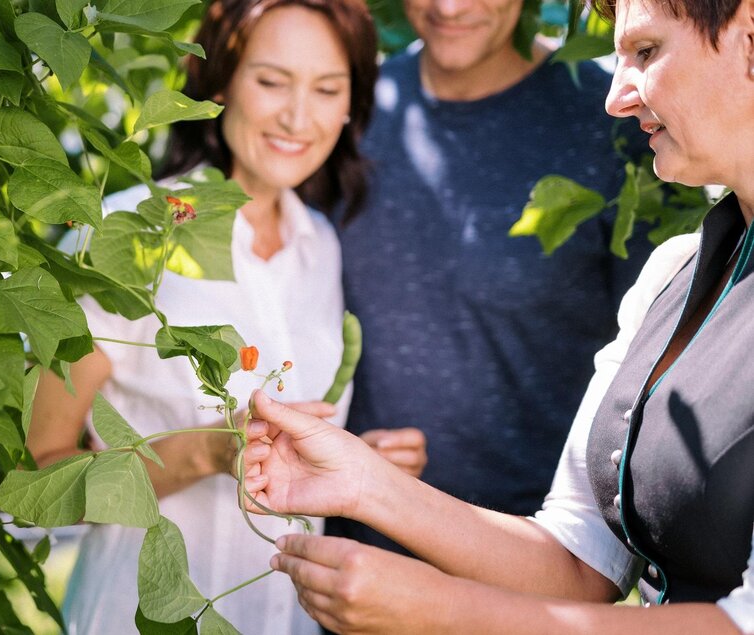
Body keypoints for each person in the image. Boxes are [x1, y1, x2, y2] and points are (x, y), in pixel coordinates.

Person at [241, 1, 754, 630]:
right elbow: (581, 558)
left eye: (645, 53)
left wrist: (437, 608)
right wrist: (363, 482)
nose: (615, 96)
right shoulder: (677, 273)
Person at [24, 1, 379, 633]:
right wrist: (204, 456)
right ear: (220, 84)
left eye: (327, 89)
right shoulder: (130, 234)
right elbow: (35, 477)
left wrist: (358, 462)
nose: (299, 116)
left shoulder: (321, 244)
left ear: (351, 105)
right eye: (272, 81)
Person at [327, 0, 657, 554]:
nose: (449, 7)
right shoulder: (346, 109)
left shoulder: (617, 123)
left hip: (533, 558)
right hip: (352, 541)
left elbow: (657, 356)